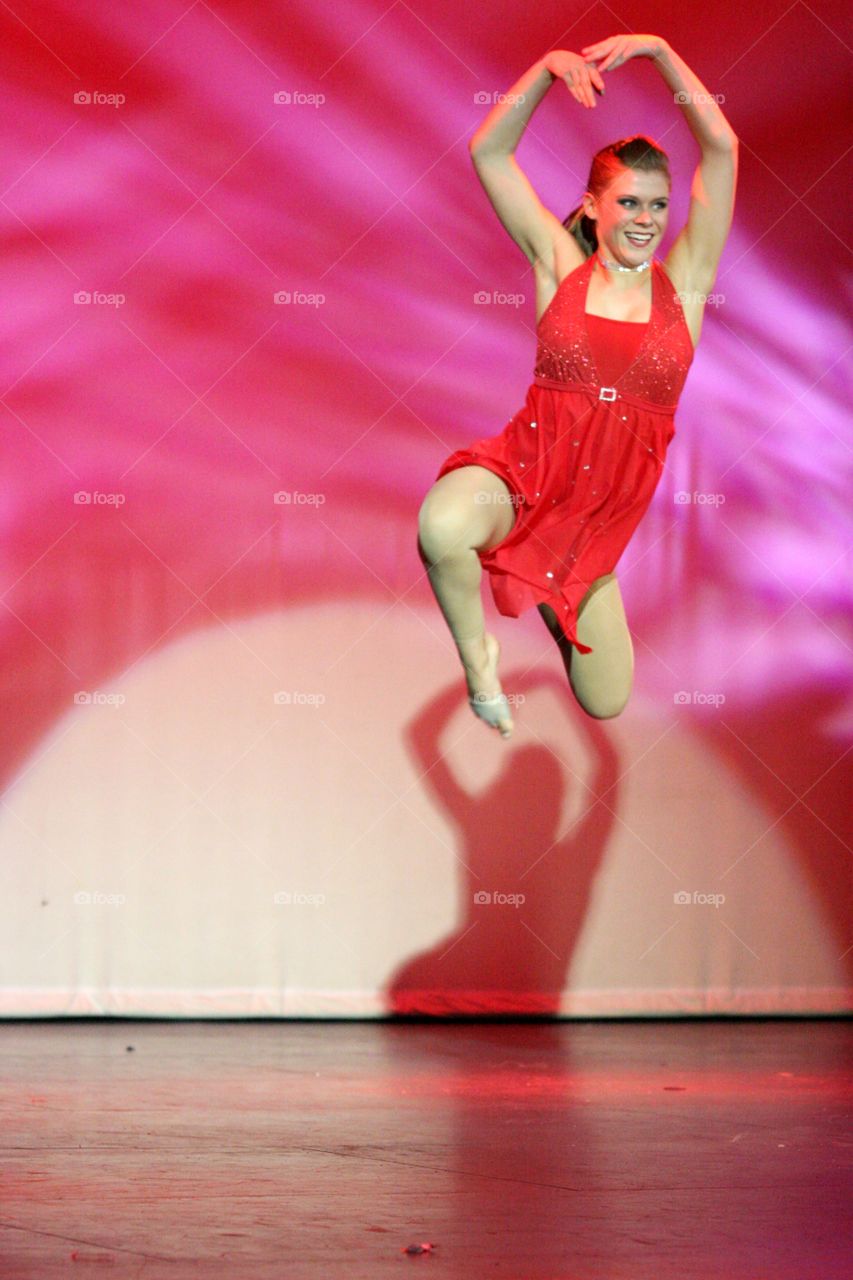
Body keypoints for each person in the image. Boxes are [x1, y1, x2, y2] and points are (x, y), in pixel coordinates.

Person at [417, 34, 738, 739]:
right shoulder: (560, 266)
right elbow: (489, 153)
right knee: (441, 528)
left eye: (657, 205)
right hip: (521, 479)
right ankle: (479, 662)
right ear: (592, 206)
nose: (647, 220)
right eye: (629, 203)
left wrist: (660, 52)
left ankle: (555, 584)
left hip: (591, 531)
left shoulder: (684, 286)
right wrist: (542, 71)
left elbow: (721, 149)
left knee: (605, 701)